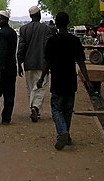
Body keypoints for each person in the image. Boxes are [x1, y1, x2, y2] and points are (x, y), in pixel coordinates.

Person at [37, 11, 91, 150]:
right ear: (68, 23)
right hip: (71, 81)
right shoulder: (75, 40)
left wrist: (42, 78)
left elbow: (47, 62)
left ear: (56, 23)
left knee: (56, 109)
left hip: (57, 81)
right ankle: (65, 135)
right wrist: (87, 79)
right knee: (67, 110)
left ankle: (63, 133)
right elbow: (81, 62)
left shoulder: (52, 41)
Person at [17, 5, 54, 123]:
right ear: (39, 15)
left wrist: (19, 64)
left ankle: (34, 109)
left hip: (28, 64)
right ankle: (36, 107)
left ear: (30, 16)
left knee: (30, 87)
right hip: (43, 64)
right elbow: (50, 48)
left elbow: (21, 48)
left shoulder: (24, 29)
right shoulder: (47, 29)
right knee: (41, 87)